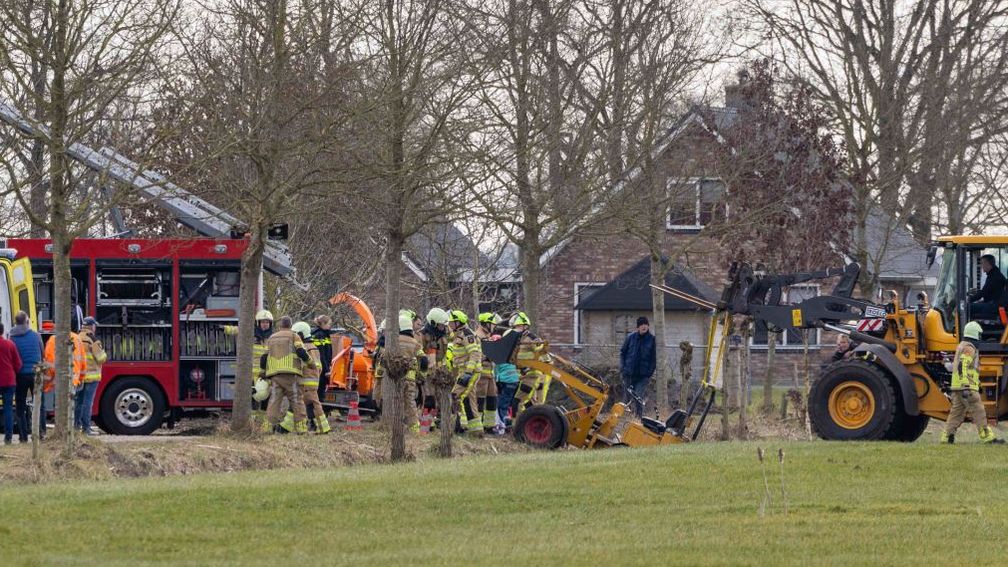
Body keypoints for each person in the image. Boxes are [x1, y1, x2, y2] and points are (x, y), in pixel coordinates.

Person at [940, 340, 1004, 444]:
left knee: (956, 413)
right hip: (966, 386)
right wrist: (966, 385)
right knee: (978, 410)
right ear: (975, 335)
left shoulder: (962, 346)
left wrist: (977, 383)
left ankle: (947, 437)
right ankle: (987, 437)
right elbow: (962, 366)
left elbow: (968, 370)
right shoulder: (969, 348)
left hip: (958, 386)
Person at [260, 316, 315, 434]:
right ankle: (301, 429)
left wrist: (263, 371)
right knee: (297, 401)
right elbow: (301, 352)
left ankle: (267, 428)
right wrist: (311, 363)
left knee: (274, 401)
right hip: (291, 375)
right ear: (290, 326)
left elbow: (264, 358)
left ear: (280, 326)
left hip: (275, 375)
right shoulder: (294, 336)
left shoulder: (271, 338)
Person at [285, 322, 330, 434]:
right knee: (300, 403)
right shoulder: (313, 347)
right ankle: (286, 427)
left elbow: (309, 365)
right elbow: (319, 367)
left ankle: (322, 428)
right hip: (311, 381)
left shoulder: (306, 348)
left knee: (311, 403)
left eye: (296, 334)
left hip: (307, 381)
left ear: (301, 334)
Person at [447, 309, 483, 436]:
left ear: (458, 322)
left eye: (451, 322)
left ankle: (455, 427)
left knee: (455, 396)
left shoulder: (467, 334)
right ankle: (476, 430)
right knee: (469, 398)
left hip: (470, 372)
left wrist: (468, 372)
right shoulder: (459, 334)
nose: (449, 324)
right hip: (464, 371)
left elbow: (474, 353)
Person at [10, 312, 44, 442]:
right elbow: (42, 353)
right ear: (26, 321)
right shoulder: (36, 336)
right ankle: (40, 433)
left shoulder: (12, 337)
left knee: (20, 405)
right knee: (39, 403)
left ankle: (23, 436)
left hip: (20, 374)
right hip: (36, 373)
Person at [510, 312, 549, 416]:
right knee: (529, 404)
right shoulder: (519, 339)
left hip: (533, 374)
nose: (516, 329)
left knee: (517, 403)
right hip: (525, 375)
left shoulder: (531, 337)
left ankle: (517, 427)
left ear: (525, 326)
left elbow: (539, 349)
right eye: (514, 327)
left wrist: (543, 346)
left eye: (518, 326)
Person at [418, 308, 450, 426]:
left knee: (441, 397)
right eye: (441, 325)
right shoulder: (422, 335)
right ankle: (426, 422)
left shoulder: (443, 335)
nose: (443, 327)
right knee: (428, 396)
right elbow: (419, 354)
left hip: (441, 372)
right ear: (433, 323)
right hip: (428, 372)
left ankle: (440, 421)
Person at [620, 316, 656, 419]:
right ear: (637, 328)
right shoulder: (630, 338)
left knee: (638, 396)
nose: (643, 326)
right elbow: (623, 352)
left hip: (643, 376)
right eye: (641, 325)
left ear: (648, 326)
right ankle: (622, 417)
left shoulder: (652, 340)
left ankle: (639, 418)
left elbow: (654, 358)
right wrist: (622, 368)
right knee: (626, 397)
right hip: (628, 373)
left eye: (645, 324)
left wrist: (649, 373)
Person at [75, 317, 107, 435]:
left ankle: (76, 426)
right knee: (88, 403)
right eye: (95, 325)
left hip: (79, 377)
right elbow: (101, 358)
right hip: (92, 377)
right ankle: (86, 428)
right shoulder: (92, 340)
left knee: (78, 402)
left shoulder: (76, 338)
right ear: (91, 326)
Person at [475, 313, 501, 435]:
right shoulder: (478, 336)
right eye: (492, 324)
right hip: (481, 375)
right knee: (480, 400)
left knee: (492, 399)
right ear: (486, 323)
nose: (494, 327)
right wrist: (487, 356)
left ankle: (489, 426)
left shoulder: (487, 336)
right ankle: (478, 425)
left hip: (490, 374)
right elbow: (477, 355)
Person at [309, 315, 337, 417]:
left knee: (318, 394)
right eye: (329, 324)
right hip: (320, 370)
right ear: (323, 324)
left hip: (319, 369)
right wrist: (326, 370)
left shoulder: (322, 334)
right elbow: (322, 355)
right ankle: (316, 417)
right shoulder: (320, 335)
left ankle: (316, 416)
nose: (330, 326)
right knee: (319, 395)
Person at [0, 324, 23, 444]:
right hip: (9, 380)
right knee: (8, 408)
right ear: (3, 331)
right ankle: (8, 437)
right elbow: (18, 364)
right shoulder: (10, 344)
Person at [968, 254, 1006, 320]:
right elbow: (987, 292)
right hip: (994, 303)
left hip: (994, 306)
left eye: (982, 263)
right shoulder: (994, 274)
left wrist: (968, 300)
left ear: (987, 264)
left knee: (967, 307)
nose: (981, 266)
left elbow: (983, 293)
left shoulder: (994, 277)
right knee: (974, 304)